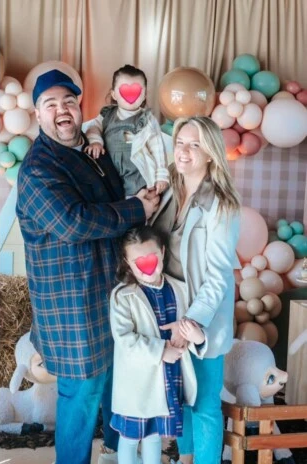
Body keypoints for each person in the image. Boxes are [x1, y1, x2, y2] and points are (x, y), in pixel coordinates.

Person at [15, 68, 160, 464]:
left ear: (80, 107)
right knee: (82, 392)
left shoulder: (95, 151)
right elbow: (72, 222)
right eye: (50, 104)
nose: (61, 110)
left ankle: (116, 454)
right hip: (72, 302)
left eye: (68, 101)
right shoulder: (39, 168)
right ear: (38, 114)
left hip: (111, 290)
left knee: (118, 381)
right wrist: (137, 208)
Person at [152, 116, 241, 464]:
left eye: (195, 145)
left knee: (204, 403)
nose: (184, 151)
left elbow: (219, 275)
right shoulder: (169, 191)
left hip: (202, 313)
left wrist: (192, 322)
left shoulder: (222, 203)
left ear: (210, 153)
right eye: (180, 143)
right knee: (180, 399)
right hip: (168, 307)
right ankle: (185, 459)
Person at [110, 225, 206, 464]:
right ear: (127, 263)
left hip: (167, 378)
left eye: (151, 257)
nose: (147, 266)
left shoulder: (180, 289)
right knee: (130, 437)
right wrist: (161, 350)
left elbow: (190, 326)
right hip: (137, 383)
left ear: (162, 252)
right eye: (138, 261)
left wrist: (191, 337)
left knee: (154, 435)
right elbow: (124, 339)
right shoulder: (123, 296)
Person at [85, 65, 168, 197]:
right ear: (114, 94)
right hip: (110, 170)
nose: (131, 95)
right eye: (124, 89)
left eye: (137, 90)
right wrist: (96, 142)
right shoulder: (106, 115)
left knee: (137, 197)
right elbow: (93, 128)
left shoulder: (147, 119)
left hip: (136, 173)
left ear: (144, 95)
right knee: (108, 194)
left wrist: (161, 175)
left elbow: (157, 148)